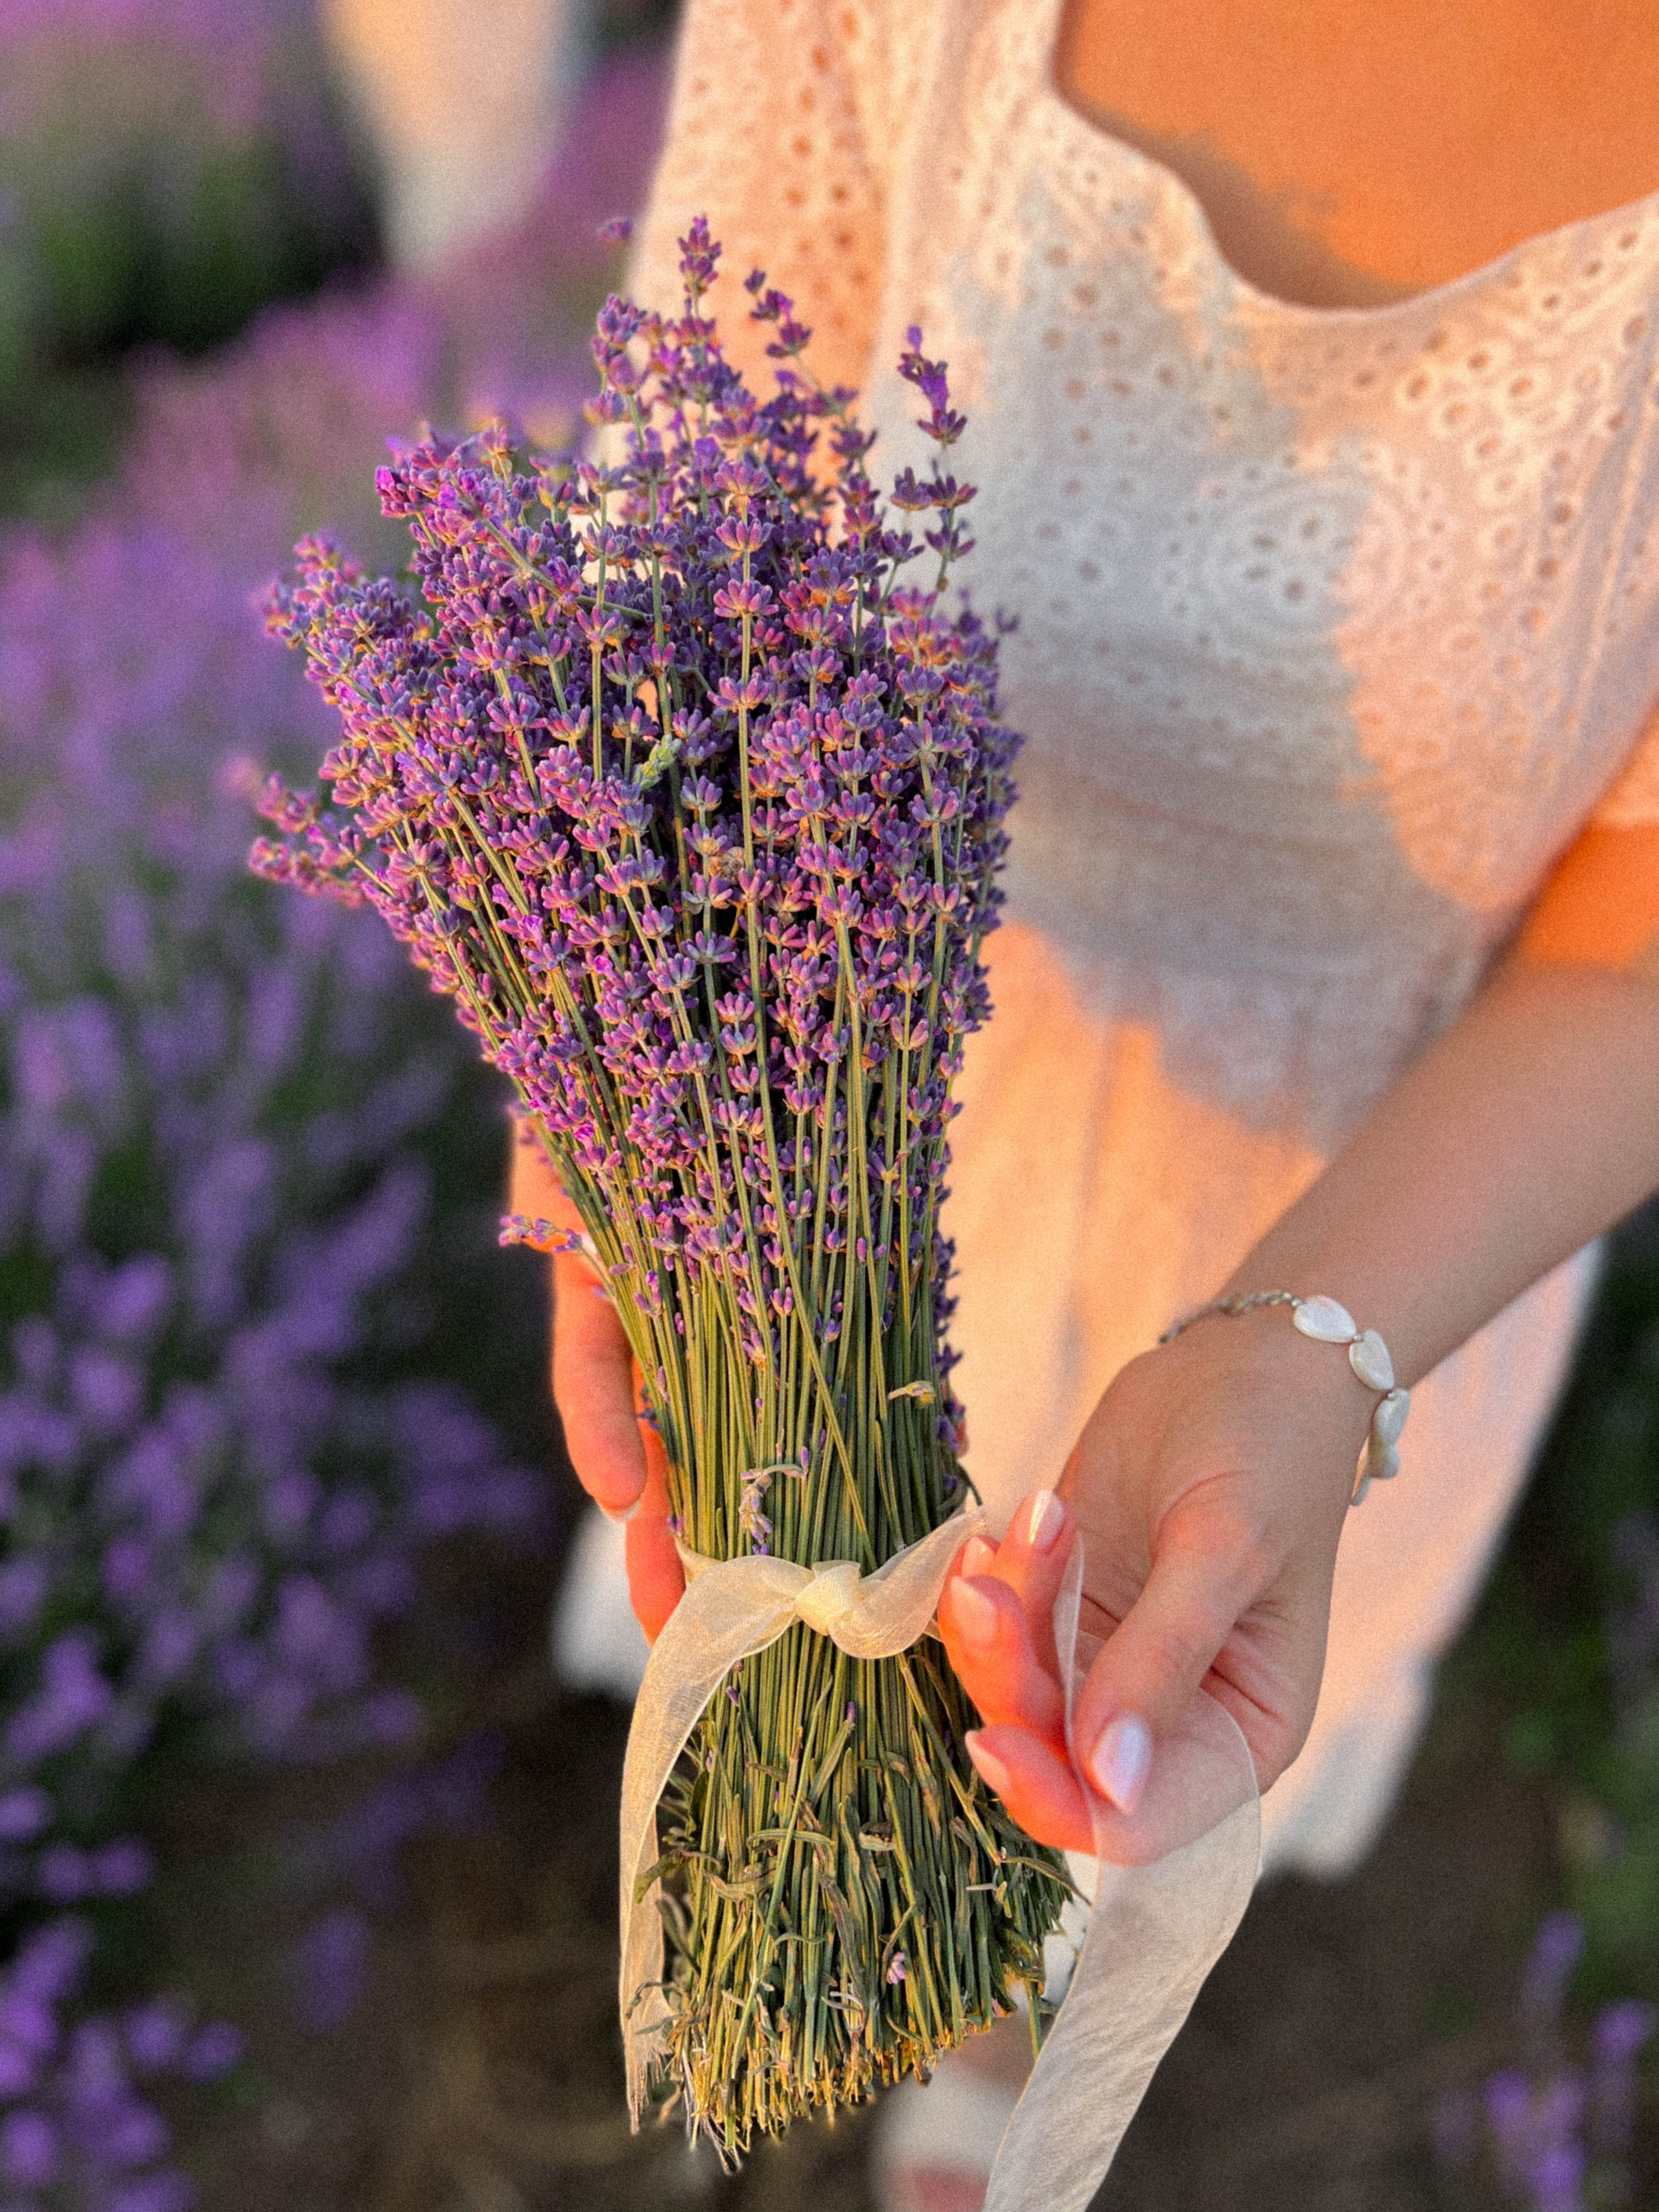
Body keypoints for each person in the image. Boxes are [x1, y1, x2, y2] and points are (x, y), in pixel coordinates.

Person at [512, 1, 1659, 2201]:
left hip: (1391, 1169)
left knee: (1120, 1714)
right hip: (854, 1080)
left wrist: (1310, 1347)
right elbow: (695, 501)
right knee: (826, 1633)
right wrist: (621, 982)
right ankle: (890, 1972)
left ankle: (996, 2008)